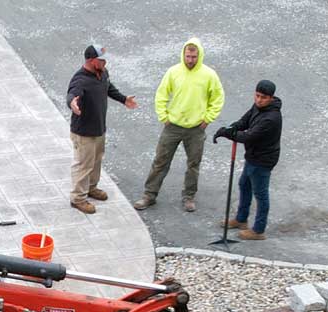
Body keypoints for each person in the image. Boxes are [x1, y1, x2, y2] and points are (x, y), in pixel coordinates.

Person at [135, 39, 223, 213]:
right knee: (160, 161)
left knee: (193, 164)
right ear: (183, 54)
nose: (190, 60)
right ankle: (149, 195)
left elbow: (218, 98)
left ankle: (189, 197)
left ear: (200, 56)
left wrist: (207, 119)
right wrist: (164, 117)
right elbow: (161, 95)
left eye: (194, 57)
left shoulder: (209, 75)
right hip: (172, 127)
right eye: (188, 56)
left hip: (196, 129)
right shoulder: (173, 72)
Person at [66, 44, 135, 215]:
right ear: (91, 60)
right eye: (101, 60)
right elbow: (72, 94)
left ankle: (91, 187)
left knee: (96, 161)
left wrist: (123, 99)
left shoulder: (102, 73)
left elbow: (108, 87)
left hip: (98, 128)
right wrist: (72, 103)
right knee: (83, 164)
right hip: (83, 132)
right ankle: (78, 199)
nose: (105, 63)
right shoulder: (80, 79)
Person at [214, 80, 282, 240]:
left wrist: (228, 134)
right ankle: (241, 219)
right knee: (244, 185)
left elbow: (248, 137)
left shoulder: (271, 118)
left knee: (261, 194)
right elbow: (244, 121)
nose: (259, 100)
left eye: (263, 97)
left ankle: (258, 230)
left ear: (271, 98)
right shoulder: (258, 107)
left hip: (263, 160)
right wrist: (232, 127)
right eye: (257, 96)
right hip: (253, 156)